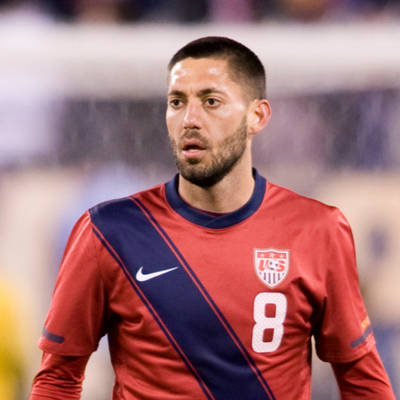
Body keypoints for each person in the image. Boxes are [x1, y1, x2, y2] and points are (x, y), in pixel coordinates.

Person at [30, 36, 395, 399]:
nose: (190, 119)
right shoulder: (108, 232)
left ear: (258, 115)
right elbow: (57, 380)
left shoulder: (318, 229)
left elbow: (362, 380)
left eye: (211, 101)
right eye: (177, 102)